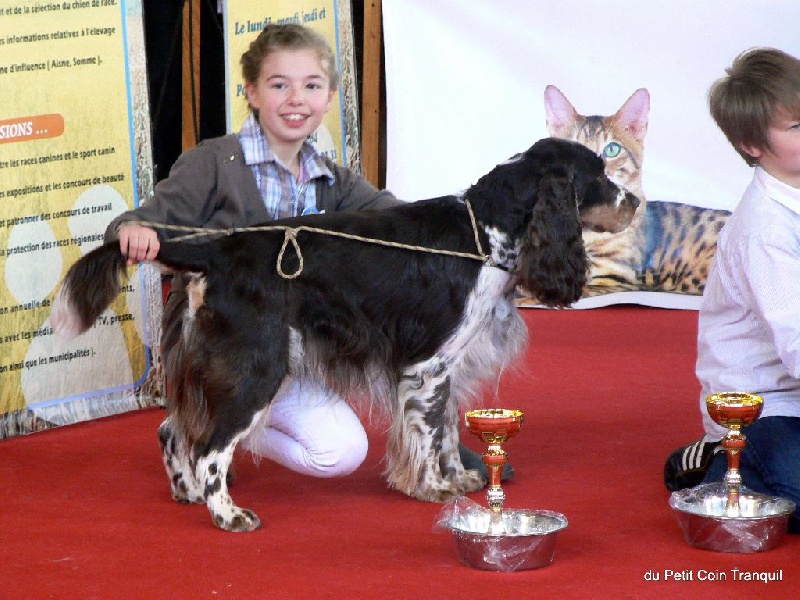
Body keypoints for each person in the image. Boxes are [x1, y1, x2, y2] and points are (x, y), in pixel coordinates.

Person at [106, 23, 507, 482]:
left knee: (340, 455)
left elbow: (401, 225)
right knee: (247, 388)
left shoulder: (334, 181)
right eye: (280, 85)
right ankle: (202, 427)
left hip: (298, 345)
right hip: (224, 338)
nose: (296, 98)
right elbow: (148, 216)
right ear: (252, 92)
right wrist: (132, 228)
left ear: (331, 97)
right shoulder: (213, 162)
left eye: (311, 86)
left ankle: (199, 426)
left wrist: (478, 219)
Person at [663, 47, 800, 531]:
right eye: (798, 128)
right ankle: (719, 460)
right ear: (752, 145)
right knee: (795, 498)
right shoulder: (764, 230)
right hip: (770, 406)